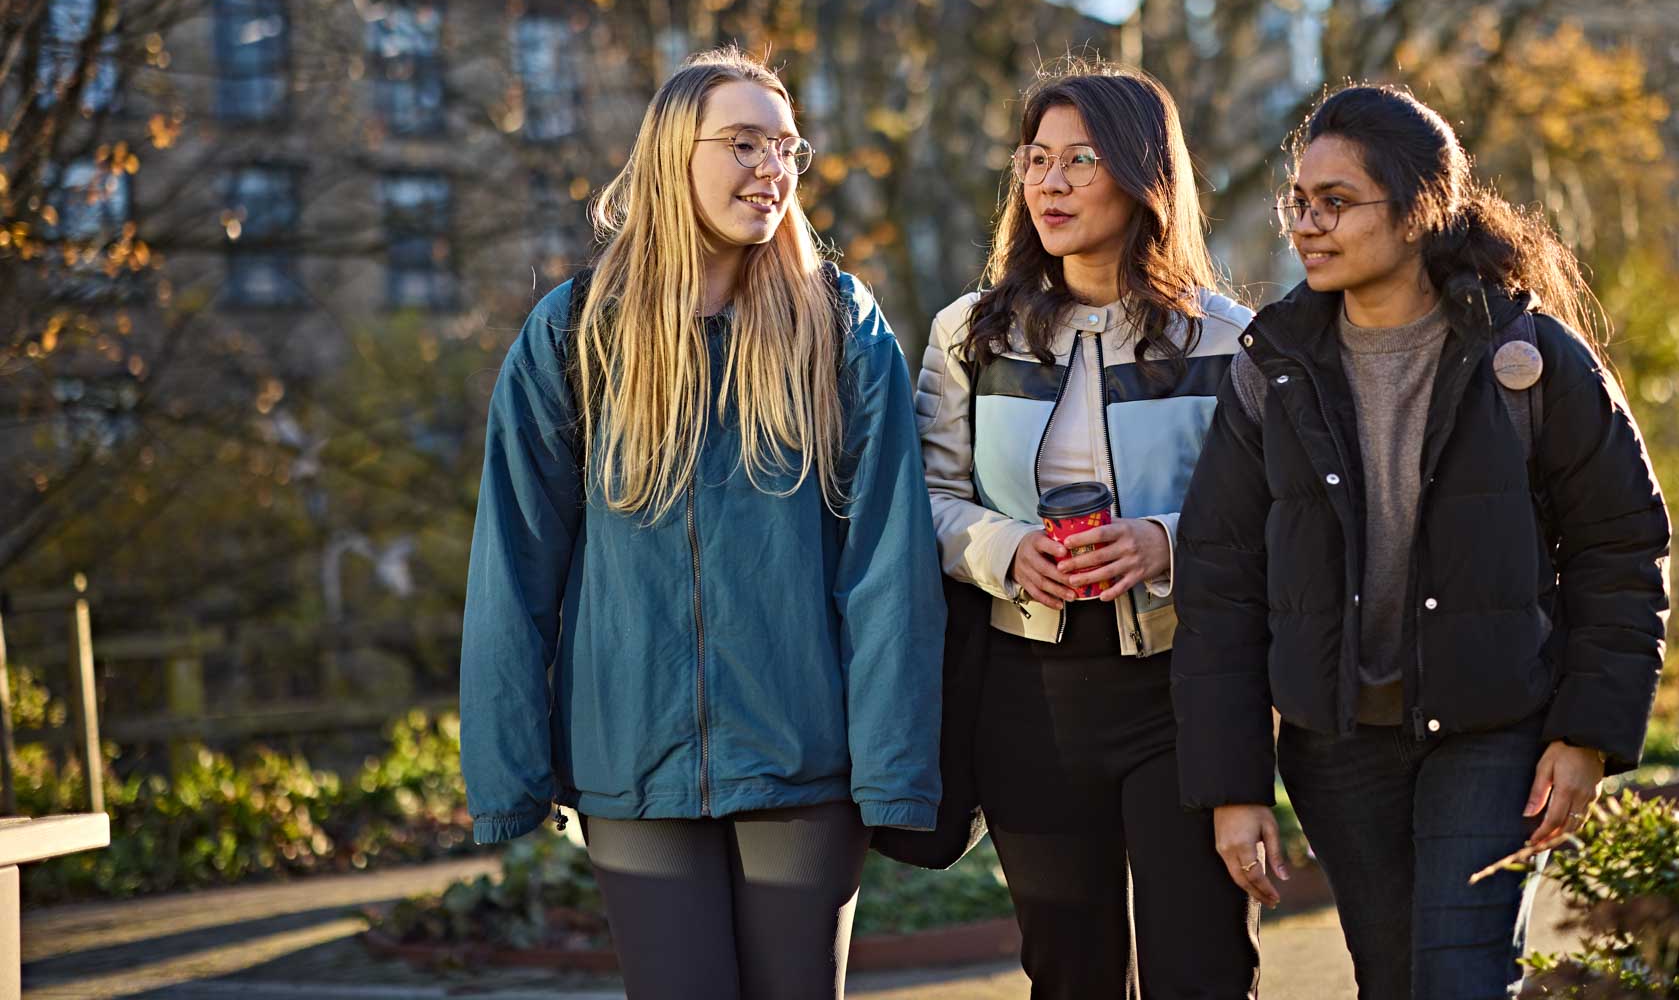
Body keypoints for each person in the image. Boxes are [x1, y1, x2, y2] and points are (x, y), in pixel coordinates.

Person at [459, 48, 943, 1000]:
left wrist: (890, 771)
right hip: (633, 762)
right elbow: (512, 566)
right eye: (745, 143)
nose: (774, 169)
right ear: (674, 153)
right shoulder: (575, 333)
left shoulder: (838, 328)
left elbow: (889, 565)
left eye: (788, 148)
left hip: (807, 763)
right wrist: (508, 770)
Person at [1173, 83, 1671, 998]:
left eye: (1336, 203)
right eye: (1300, 202)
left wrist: (1587, 733)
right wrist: (1234, 784)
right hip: (1337, 747)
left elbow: (1621, 545)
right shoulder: (1271, 369)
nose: (1307, 226)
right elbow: (1220, 582)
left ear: (1417, 213)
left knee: (1460, 977)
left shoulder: (1530, 357)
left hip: (1492, 727)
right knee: (1394, 979)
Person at [915, 62, 1261, 998]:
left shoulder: (1232, 342)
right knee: (1068, 973)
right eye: (1036, 159)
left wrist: (1165, 543)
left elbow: (1278, 513)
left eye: (1081, 159)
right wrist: (1007, 552)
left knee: (1203, 966)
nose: (1051, 184)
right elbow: (930, 502)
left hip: (1183, 693)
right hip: (1028, 698)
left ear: (1145, 176)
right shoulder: (967, 335)